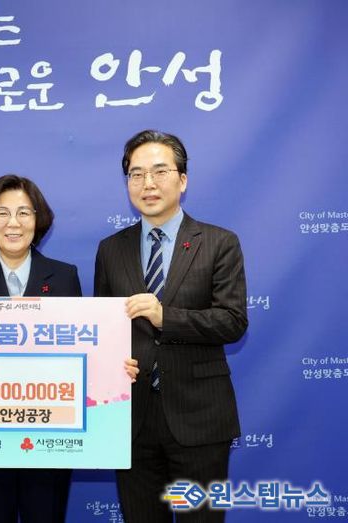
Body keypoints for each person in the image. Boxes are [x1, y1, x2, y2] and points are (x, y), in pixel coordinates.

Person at [94, 130, 248, 522]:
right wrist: (111, 362)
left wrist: (166, 317)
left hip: (200, 417)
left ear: (182, 180)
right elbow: (103, 331)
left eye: (160, 171)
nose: (148, 183)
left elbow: (232, 322)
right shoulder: (111, 249)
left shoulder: (219, 242)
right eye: (136, 174)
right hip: (131, 420)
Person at [0, 175, 80, 523]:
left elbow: (81, 356)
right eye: (2, 213)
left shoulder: (65, 277)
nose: (13, 223)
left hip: (50, 436)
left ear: (38, 220)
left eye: (24, 212)